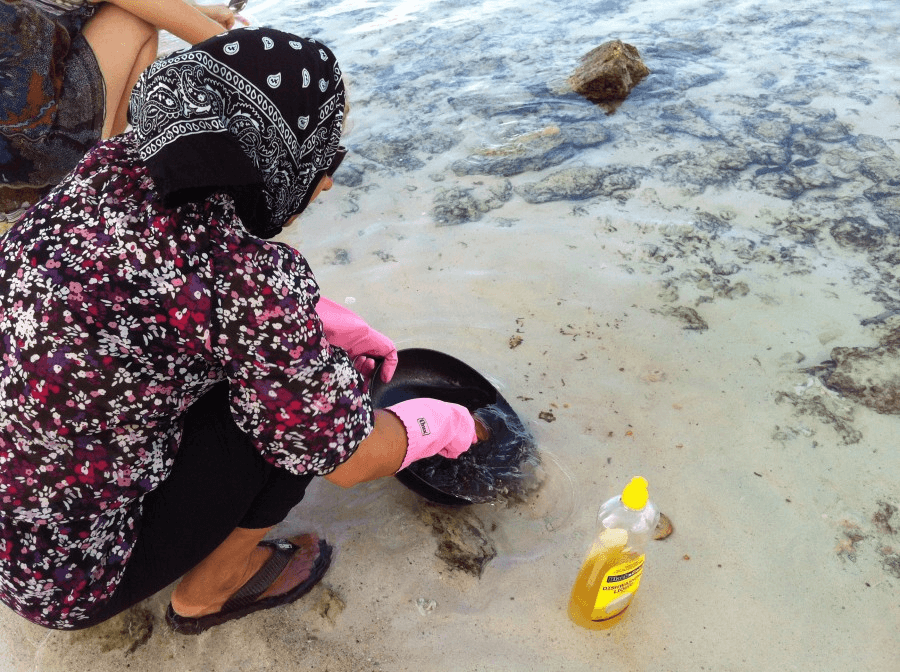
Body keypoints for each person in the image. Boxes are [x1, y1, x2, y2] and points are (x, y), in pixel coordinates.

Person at [0, 26, 488, 633]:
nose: (328, 179)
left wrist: (312, 319)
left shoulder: (94, 177)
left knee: (284, 384)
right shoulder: (247, 282)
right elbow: (348, 456)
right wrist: (439, 424)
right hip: (63, 578)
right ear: (277, 153)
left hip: (16, 515)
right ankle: (211, 592)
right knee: (307, 413)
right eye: (324, 155)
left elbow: (158, 290)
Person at [1, 0, 237, 225]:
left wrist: (199, 11)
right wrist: (239, 49)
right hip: (34, 145)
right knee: (137, 21)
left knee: (138, 13)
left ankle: (90, 171)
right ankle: (85, 177)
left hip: (10, 149)